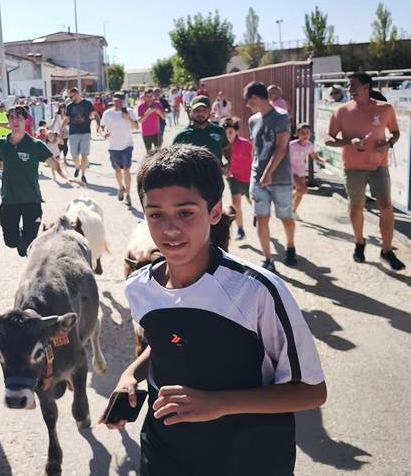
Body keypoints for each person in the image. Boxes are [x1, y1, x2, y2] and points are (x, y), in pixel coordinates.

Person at [107, 144, 326, 475]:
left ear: (214, 212)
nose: (169, 229)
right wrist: (130, 375)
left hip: (249, 458)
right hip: (164, 453)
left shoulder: (257, 291)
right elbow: (171, 341)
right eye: (156, 215)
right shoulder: (139, 288)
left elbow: (312, 392)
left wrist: (220, 403)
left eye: (185, 213)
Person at [0, 105, 77, 256]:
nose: (15, 120)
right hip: (9, 200)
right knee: (11, 242)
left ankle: (27, 245)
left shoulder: (35, 145)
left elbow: (55, 164)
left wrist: (67, 177)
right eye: (11, 117)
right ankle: (20, 240)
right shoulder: (1, 144)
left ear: (25, 121)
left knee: (30, 243)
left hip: (31, 200)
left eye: (19, 117)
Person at [325, 72, 405, 270]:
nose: (350, 89)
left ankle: (387, 251)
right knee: (356, 208)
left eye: (354, 85)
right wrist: (349, 142)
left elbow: (395, 133)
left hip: (379, 165)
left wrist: (388, 143)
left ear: (366, 87)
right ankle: (360, 242)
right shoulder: (342, 111)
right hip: (353, 168)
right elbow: (328, 139)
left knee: (386, 207)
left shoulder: (385, 109)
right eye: (348, 85)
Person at [245, 82, 297, 272]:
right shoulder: (253, 120)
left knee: (285, 217)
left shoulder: (281, 117)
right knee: (261, 218)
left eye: (248, 101)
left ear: (255, 98)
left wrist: (268, 173)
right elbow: (256, 149)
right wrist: (255, 172)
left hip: (280, 179)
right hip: (258, 178)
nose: (247, 105)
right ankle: (268, 259)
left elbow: (281, 148)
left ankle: (290, 246)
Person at [100, 93, 139, 205]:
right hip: (113, 147)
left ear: (124, 102)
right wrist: (103, 133)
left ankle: (128, 194)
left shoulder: (130, 112)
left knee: (126, 169)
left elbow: (136, 127)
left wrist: (128, 118)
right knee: (118, 171)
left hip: (127, 145)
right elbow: (102, 127)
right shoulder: (108, 113)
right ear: (113, 101)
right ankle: (120, 187)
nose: (118, 103)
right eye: (116, 101)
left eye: (120, 101)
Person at [171, 96, 230, 166]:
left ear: (210, 111)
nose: (200, 113)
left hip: (215, 175)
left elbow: (226, 148)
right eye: (197, 110)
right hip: (192, 176)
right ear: (190, 112)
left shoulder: (219, 131)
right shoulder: (182, 136)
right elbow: (173, 160)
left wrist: (229, 163)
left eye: (204, 110)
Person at [222, 117, 253, 241]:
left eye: (230, 132)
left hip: (249, 178)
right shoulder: (223, 146)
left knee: (253, 202)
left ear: (236, 132)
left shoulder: (246, 144)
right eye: (225, 133)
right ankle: (240, 229)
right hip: (234, 178)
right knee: (236, 203)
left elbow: (255, 160)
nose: (228, 135)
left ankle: (257, 214)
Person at [289, 123, 325, 220]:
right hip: (291, 170)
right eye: (302, 133)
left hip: (301, 170)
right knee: (303, 189)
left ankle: (293, 211)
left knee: (300, 193)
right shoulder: (291, 145)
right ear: (297, 134)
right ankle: (288, 200)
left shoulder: (309, 145)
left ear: (310, 134)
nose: (305, 135)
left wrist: (322, 160)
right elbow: (282, 155)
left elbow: (313, 156)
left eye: (307, 133)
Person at [63, 87, 97, 183]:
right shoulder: (69, 106)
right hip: (73, 133)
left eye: (71, 96)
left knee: (84, 155)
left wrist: (99, 125)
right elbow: (67, 119)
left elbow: (95, 114)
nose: (70, 98)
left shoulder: (88, 104)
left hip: (85, 132)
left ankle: (83, 175)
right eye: (69, 96)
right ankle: (77, 166)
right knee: (74, 156)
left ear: (77, 94)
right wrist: (61, 129)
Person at [137, 89, 166, 154]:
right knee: (149, 153)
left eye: (151, 96)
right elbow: (140, 121)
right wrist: (148, 112)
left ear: (153, 96)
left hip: (157, 132)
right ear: (144, 97)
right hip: (146, 133)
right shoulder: (141, 106)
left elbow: (164, 117)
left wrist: (157, 111)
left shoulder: (158, 104)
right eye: (147, 96)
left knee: (158, 153)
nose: (149, 98)